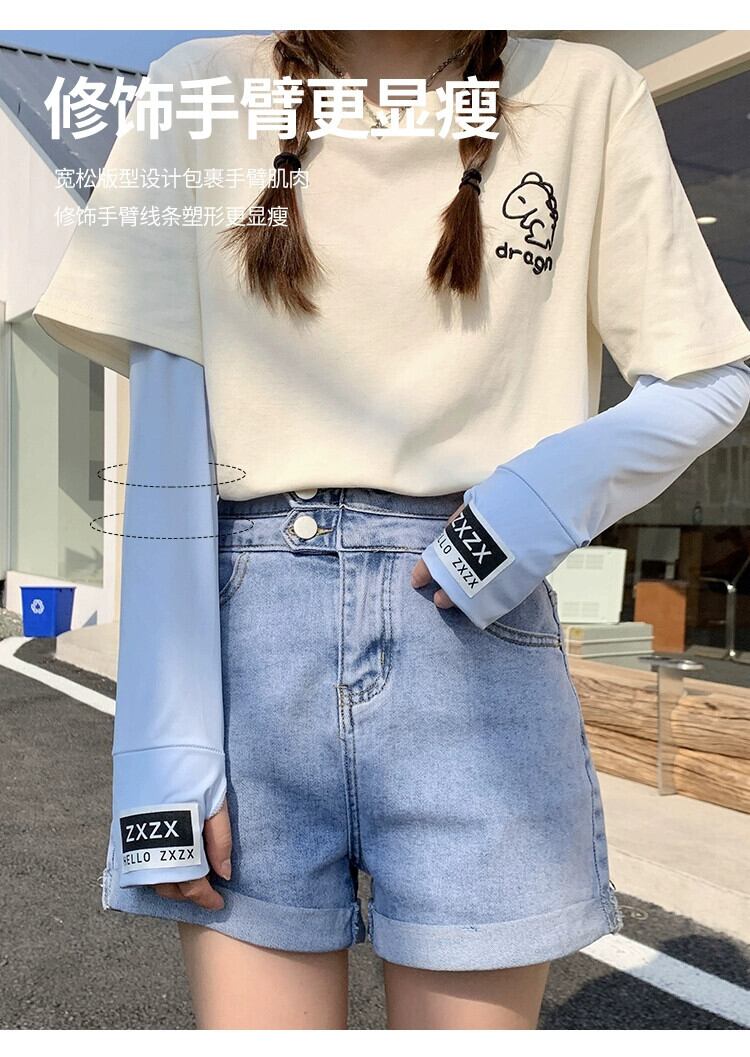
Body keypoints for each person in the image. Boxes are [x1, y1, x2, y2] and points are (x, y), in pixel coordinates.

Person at [33, 29, 750, 1031]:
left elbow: (707, 376)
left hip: (475, 637)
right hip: (246, 663)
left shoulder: (585, 93)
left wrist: (522, 511)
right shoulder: (200, 88)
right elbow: (167, 443)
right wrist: (162, 750)